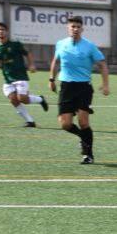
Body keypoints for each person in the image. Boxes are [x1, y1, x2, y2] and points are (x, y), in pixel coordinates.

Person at [48, 17, 109, 164]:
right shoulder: (61, 44)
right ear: (68, 28)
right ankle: (83, 137)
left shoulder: (89, 46)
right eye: (72, 26)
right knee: (65, 124)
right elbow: (56, 61)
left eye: (78, 27)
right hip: (66, 87)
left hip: (83, 87)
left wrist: (105, 84)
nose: (75, 29)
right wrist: (51, 79)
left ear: (82, 29)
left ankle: (88, 155)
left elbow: (102, 64)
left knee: (83, 122)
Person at [0, 21, 48, 127]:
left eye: (2, 29)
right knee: (13, 100)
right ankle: (30, 121)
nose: (0, 31)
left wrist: (31, 65)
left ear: (7, 31)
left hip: (20, 76)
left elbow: (27, 54)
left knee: (22, 99)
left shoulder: (15, 44)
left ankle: (40, 99)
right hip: (7, 78)